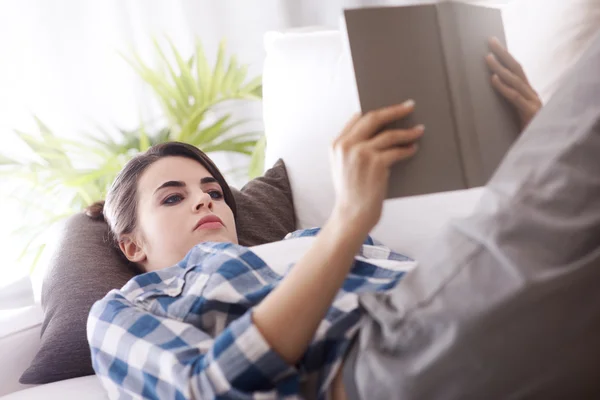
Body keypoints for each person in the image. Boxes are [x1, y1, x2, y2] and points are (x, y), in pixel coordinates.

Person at [86, 38, 542, 399]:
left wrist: (536, 153)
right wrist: (347, 223)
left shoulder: (308, 238)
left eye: (213, 191)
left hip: (478, 311)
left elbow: (438, 282)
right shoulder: (129, 308)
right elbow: (207, 389)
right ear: (132, 244)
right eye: (172, 199)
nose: (205, 201)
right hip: (390, 362)